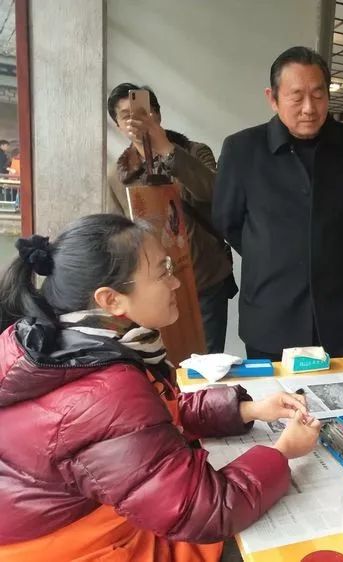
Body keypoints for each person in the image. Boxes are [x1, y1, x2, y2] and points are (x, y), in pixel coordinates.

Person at [0, 214, 321, 562]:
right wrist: (282, 452)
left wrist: (249, 409)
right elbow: (204, 510)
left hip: (100, 524)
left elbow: (146, 423)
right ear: (111, 300)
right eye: (162, 272)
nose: (176, 284)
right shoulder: (102, 388)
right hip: (89, 547)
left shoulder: (67, 346)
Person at [213, 46, 343, 361]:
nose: (308, 108)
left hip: (335, 315)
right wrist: (272, 252)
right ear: (272, 98)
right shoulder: (242, 149)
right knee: (274, 406)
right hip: (270, 314)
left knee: (336, 404)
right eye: (296, 96)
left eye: (318, 95)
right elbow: (227, 220)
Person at [106, 83, 236, 354]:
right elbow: (117, 234)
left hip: (205, 279)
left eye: (143, 111)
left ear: (157, 114)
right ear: (118, 125)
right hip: (152, 288)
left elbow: (213, 192)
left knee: (208, 364)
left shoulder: (195, 152)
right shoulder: (117, 174)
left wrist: (165, 147)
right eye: (126, 116)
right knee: (164, 361)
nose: (136, 120)